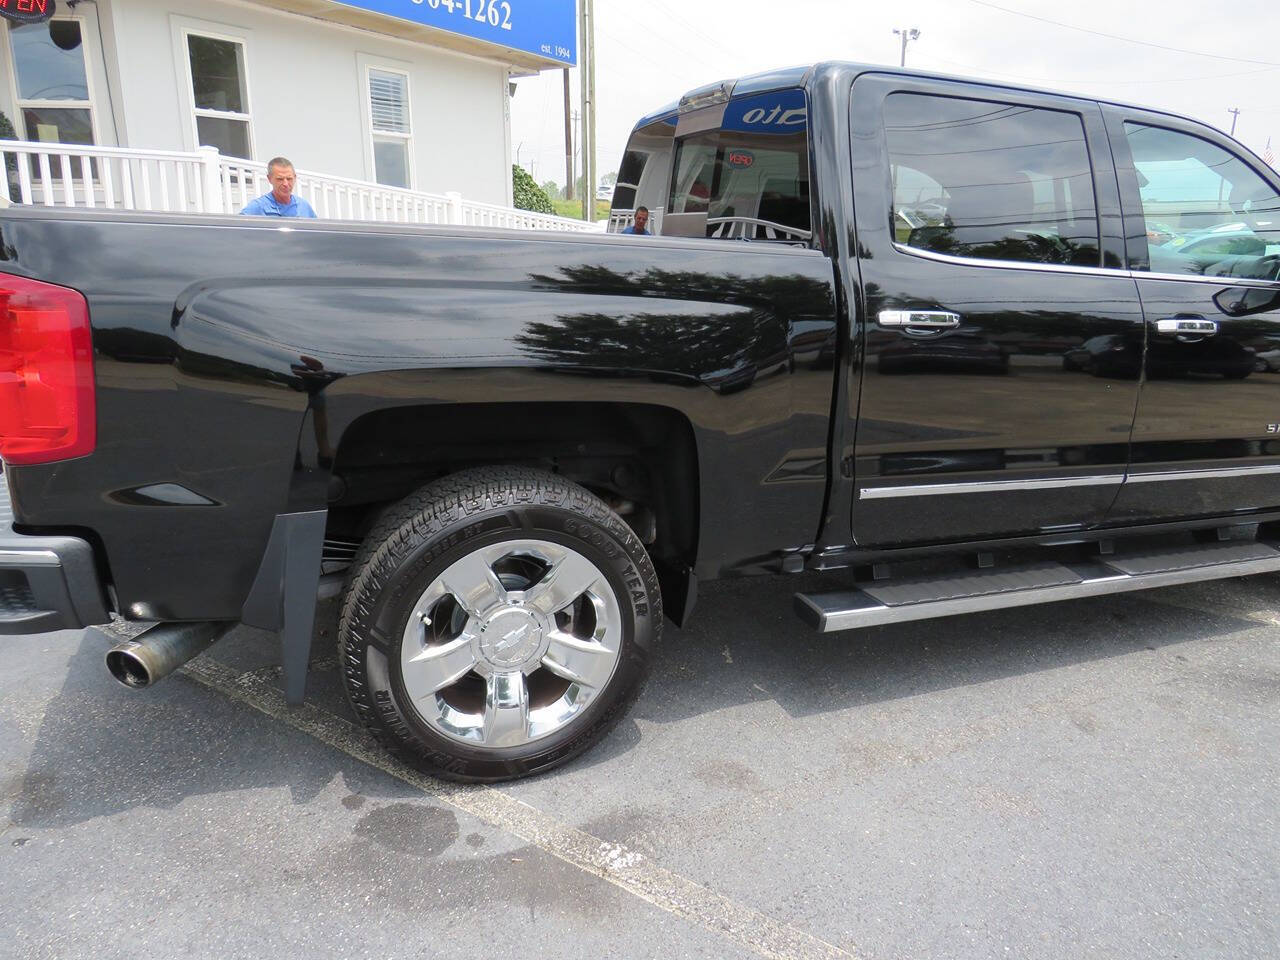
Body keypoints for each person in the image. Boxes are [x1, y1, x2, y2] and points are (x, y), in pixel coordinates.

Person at [240, 157, 317, 218]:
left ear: (295, 178)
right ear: (269, 179)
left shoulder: (303, 206)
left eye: (289, 179)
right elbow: (236, 227)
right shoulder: (258, 206)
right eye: (280, 179)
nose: (285, 184)